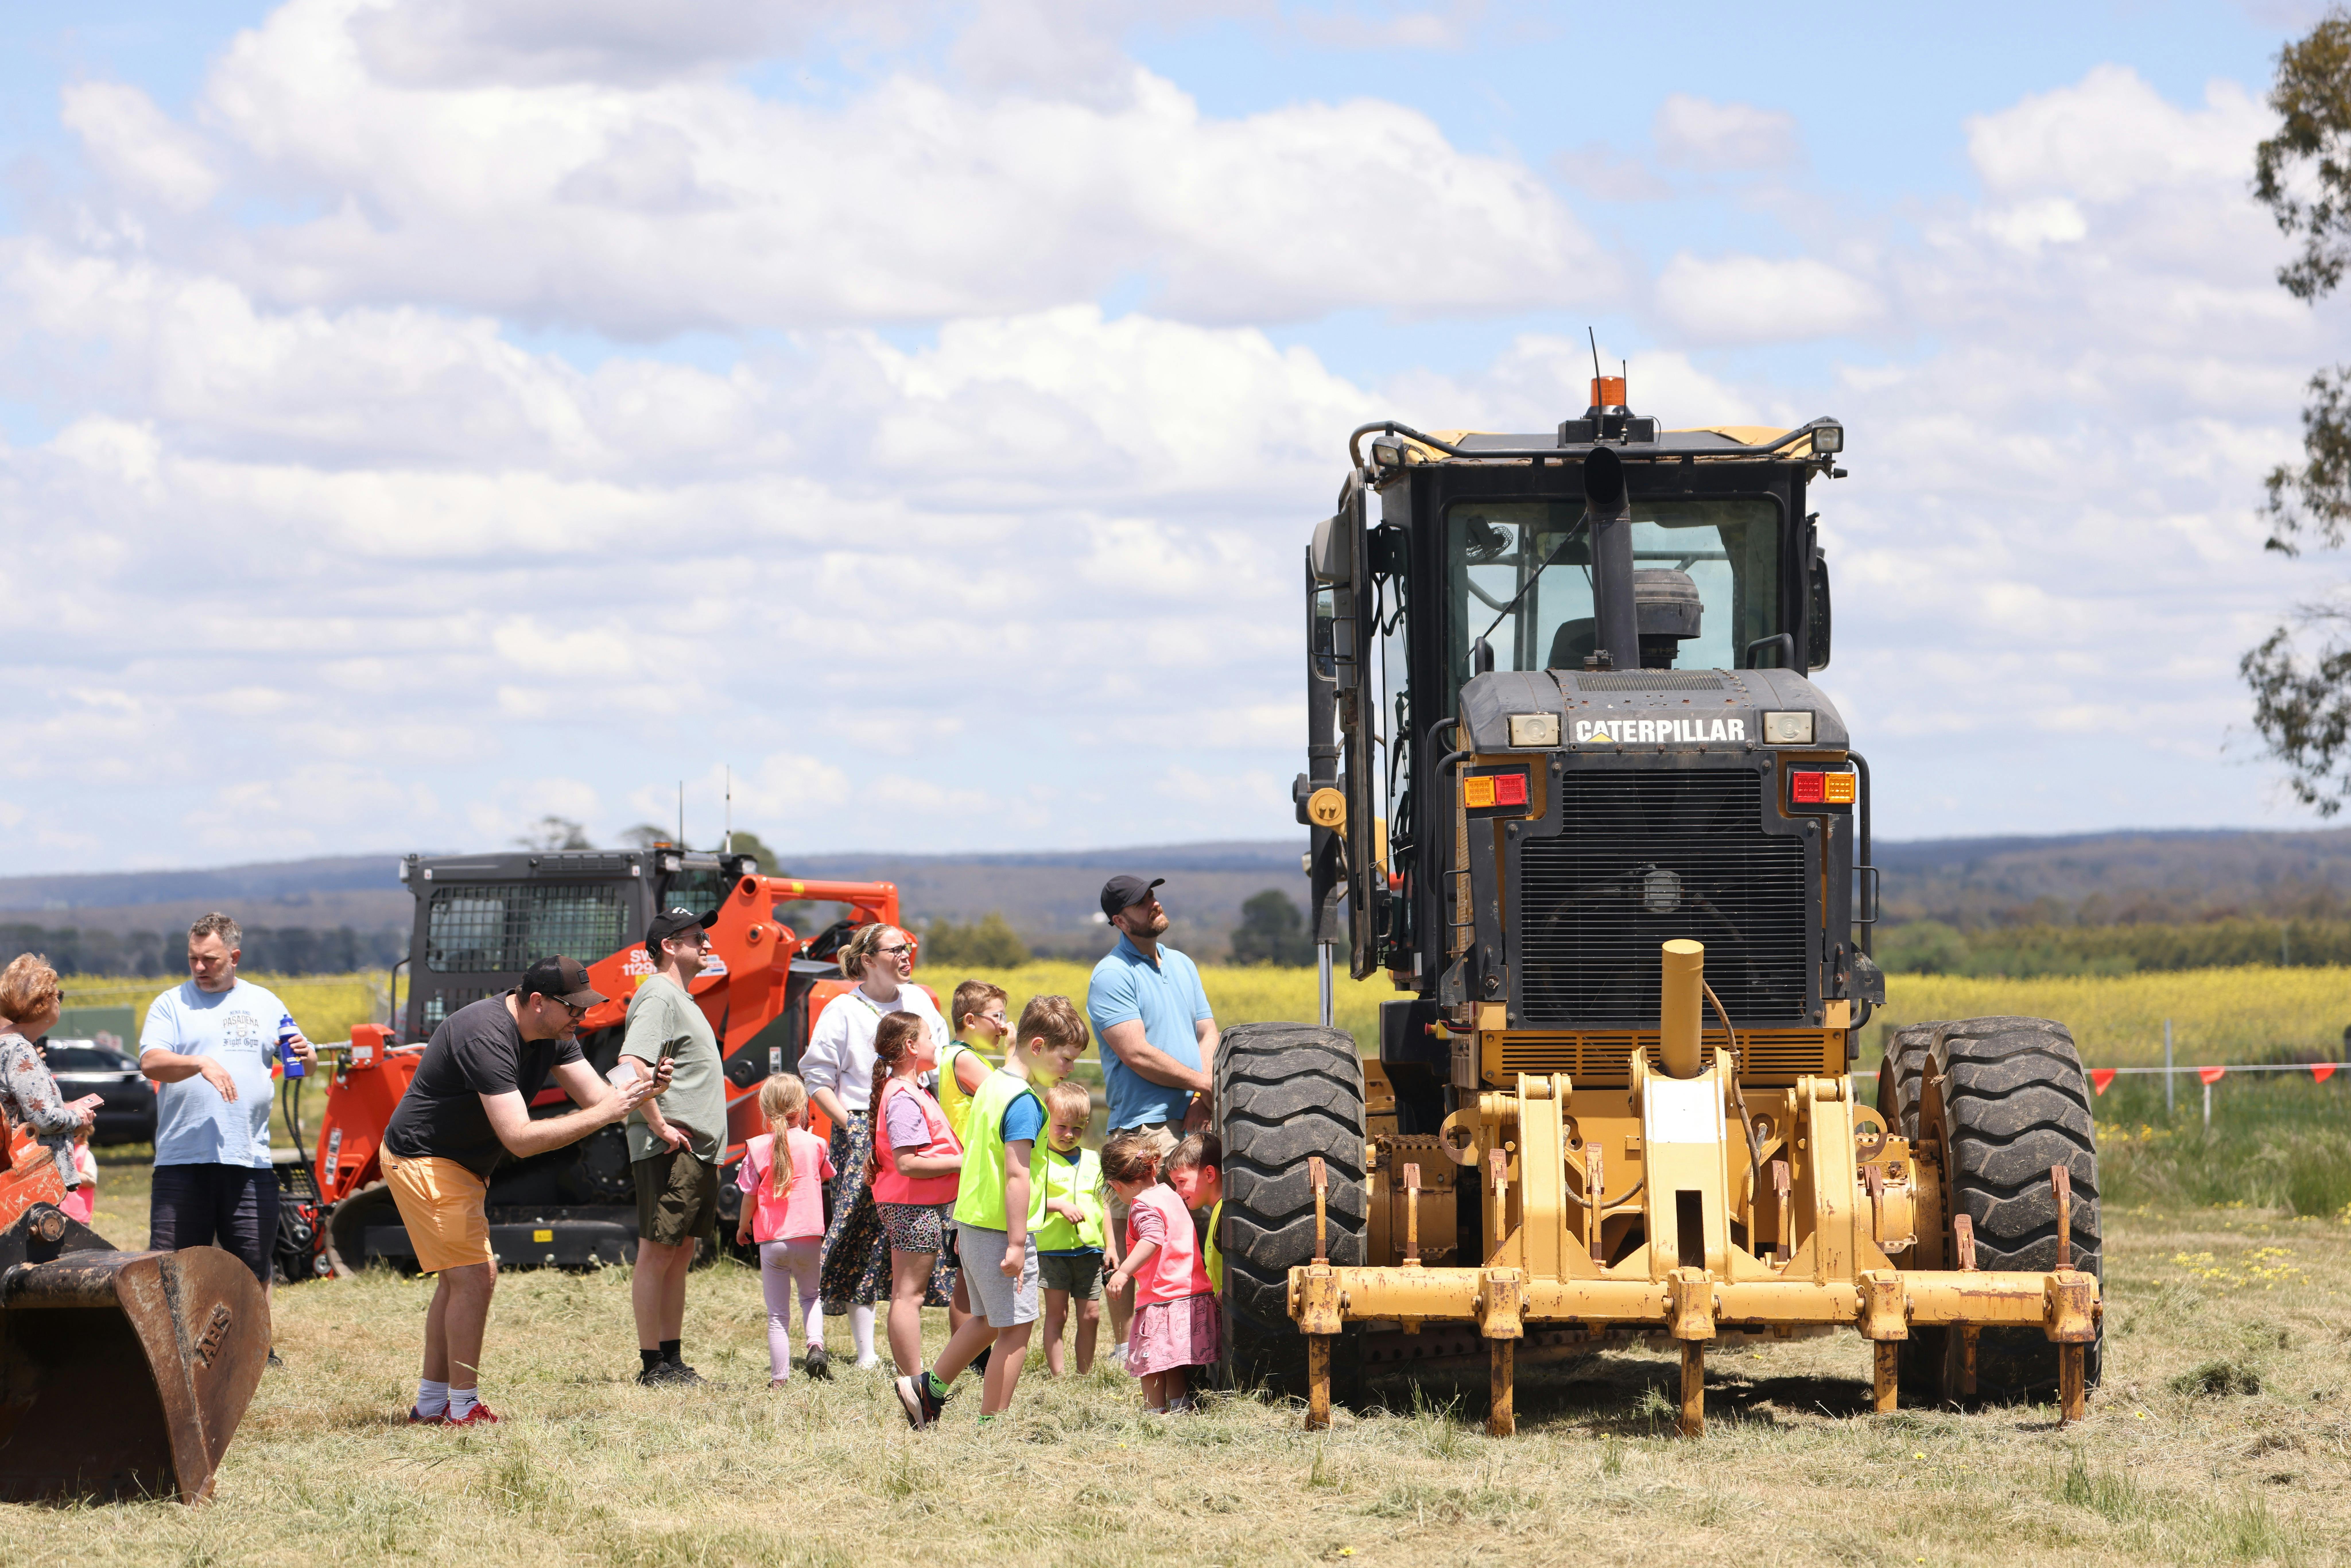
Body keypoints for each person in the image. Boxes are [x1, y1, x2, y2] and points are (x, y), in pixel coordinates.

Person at [378, 955, 663, 1425]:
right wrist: (608, 1111)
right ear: (537, 1002)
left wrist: (644, 1088)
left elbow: (599, 1097)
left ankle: (431, 1405)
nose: (582, 1015)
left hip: (461, 1165)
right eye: (573, 1007)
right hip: (424, 1158)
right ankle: (462, 1408)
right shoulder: (485, 1034)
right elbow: (519, 1137)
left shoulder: (553, 1034)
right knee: (475, 1275)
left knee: (458, 1279)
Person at [894, 995, 1087, 1429]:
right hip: (1003, 1230)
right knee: (1017, 1328)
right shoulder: (1022, 1102)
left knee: (984, 1322)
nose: (1070, 1069)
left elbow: (979, 1158)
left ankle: (927, 1390)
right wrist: (1018, 1244)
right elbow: (1017, 1176)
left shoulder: (992, 1085)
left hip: (976, 1221)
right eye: (1067, 1059)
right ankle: (991, 1424)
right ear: (1037, 1047)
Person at [138, 914, 316, 1361]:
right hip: (181, 1159)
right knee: (173, 1264)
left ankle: (257, 1351)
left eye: (211, 960)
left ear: (234, 957)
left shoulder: (265, 1003)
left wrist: (308, 1055)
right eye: (194, 959)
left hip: (248, 1158)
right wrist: (200, 1063)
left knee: (253, 1263)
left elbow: (303, 1061)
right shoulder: (170, 1004)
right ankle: (174, 1353)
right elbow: (152, 1062)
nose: (200, 967)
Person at [800, 922, 949, 1369]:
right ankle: (867, 1353)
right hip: (863, 1126)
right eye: (895, 950)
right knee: (861, 1234)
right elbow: (817, 1078)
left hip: (917, 1121)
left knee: (912, 1231)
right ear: (868, 960)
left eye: (909, 948)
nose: (906, 956)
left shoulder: (919, 1000)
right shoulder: (843, 1010)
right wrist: (852, 1127)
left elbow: (941, 1065)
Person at [1085, 875, 1218, 1364]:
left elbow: (1208, 1029)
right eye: (1140, 902)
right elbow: (1135, 1051)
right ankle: (1128, 1349)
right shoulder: (1111, 974)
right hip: (1143, 1126)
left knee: (1198, 1233)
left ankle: (1194, 1343)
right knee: (1135, 1237)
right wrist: (1200, 1086)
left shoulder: (1181, 964)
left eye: (1152, 895)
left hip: (1193, 1117)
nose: (1153, 903)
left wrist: (1202, 1089)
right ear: (1120, 920)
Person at [620, 906, 730, 1387]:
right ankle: (652, 1365)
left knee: (680, 1251)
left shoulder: (681, 996)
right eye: (697, 936)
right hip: (671, 1147)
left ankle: (671, 1357)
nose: (707, 944)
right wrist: (660, 1124)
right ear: (669, 945)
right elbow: (631, 1063)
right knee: (658, 1250)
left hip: (695, 1148)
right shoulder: (659, 995)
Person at [869, 1011, 963, 1377]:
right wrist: (963, 1162)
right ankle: (912, 1381)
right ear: (911, 1047)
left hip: (916, 1205)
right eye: (928, 1038)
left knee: (908, 1295)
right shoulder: (905, 1096)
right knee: (909, 1296)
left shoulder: (910, 1090)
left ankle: (912, 1376)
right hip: (911, 1205)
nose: (934, 1045)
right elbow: (907, 1163)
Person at [1103, 1129, 1219, 1414]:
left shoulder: (1143, 1205)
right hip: (1190, 1293)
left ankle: (1153, 1412)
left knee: (1149, 1363)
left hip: (1162, 1298)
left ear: (1116, 1185)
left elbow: (1152, 1239)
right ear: (1154, 1167)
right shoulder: (1170, 1194)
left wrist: (1123, 1272)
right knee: (1172, 1362)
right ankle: (1182, 1407)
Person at [733, 1074, 835, 1387]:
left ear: (765, 1110)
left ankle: (779, 1380)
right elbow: (827, 1177)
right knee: (811, 1297)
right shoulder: (817, 1144)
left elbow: (750, 1195)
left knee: (777, 1315)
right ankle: (815, 1345)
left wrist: (742, 1227)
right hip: (809, 1237)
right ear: (803, 1107)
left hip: (773, 1241)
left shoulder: (756, 1147)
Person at [0, 954, 101, 1204]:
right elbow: (43, 1119)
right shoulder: (19, 1049)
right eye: (59, 996)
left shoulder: (5, 1044)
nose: (60, 1002)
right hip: (26, 1180)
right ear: (43, 1004)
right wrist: (77, 1116)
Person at [1033, 1078, 1106, 1377]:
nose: (1069, 1134)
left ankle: (1084, 1375)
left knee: (1091, 1315)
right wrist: (1058, 1206)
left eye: (1077, 1128)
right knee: (1058, 1315)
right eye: (1061, 1126)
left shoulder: (1093, 1160)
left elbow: (1104, 1206)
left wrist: (1111, 1247)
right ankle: (1059, 1377)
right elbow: (1027, 1199)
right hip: (1053, 1250)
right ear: (1047, 1121)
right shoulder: (1038, 1159)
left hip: (1090, 1251)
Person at [938, 980, 1006, 1140]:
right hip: (970, 1155)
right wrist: (1013, 1049)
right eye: (997, 1017)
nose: (1003, 1026)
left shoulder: (956, 1054)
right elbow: (1009, 1099)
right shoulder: (964, 1058)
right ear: (971, 1022)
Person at [1166, 1131, 1225, 1296]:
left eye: (1181, 1182)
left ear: (1210, 1174)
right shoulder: (1219, 1211)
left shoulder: (1226, 1215)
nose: (1178, 1192)